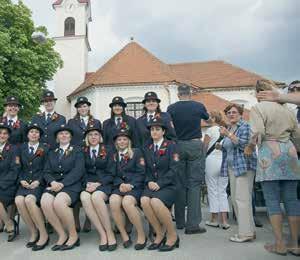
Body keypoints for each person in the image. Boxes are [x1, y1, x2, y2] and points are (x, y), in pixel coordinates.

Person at [247, 79, 300, 256]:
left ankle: (279, 244)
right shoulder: (288, 109)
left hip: (269, 153)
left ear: (257, 93)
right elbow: (298, 136)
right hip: (290, 152)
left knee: (272, 200)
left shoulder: (258, 108)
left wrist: (250, 146)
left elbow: (258, 132)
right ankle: (294, 243)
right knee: (292, 200)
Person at [167, 84, 209, 234]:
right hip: (194, 145)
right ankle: (193, 225)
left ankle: (179, 222)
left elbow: (168, 126)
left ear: (178, 94)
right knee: (194, 184)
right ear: (190, 93)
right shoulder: (198, 106)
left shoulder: (171, 108)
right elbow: (208, 119)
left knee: (179, 184)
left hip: (178, 146)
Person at [40, 125, 85, 251]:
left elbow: (78, 170)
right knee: (45, 202)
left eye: (66, 133)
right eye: (61, 134)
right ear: (57, 138)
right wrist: (53, 182)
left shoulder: (77, 150)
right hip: (54, 185)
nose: (64, 135)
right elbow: (46, 171)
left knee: (59, 202)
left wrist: (62, 184)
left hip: (71, 185)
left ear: (70, 137)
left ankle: (73, 236)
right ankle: (62, 234)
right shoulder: (52, 152)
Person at [141, 117, 180, 252]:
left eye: (158, 129)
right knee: (144, 200)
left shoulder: (172, 146)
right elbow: (144, 169)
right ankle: (159, 234)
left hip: (169, 185)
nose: (154, 132)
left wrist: (160, 183)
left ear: (163, 131)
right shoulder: (147, 147)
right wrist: (149, 181)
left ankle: (172, 235)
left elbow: (175, 169)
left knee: (156, 202)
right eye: (152, 129)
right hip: (152, 184)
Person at [219, 103, 257, 243]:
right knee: (237, 200)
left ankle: (245, 233)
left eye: (234, 112)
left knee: (242, 200)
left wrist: (228, 135)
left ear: (241, 114)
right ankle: (249, 231)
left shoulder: (245, 126)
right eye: (228, 112)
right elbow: (228, 147)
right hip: (232, 167)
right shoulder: (230, 128)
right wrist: (221, 144)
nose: (231, 114)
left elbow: (244, 145)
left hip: (243, 166)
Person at [80, 125, 117, 251]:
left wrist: (98, 183)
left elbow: (112, 171)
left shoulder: (109, 149)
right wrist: (87, 183)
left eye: (96, 134)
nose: (93, 137)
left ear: (100, 136)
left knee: (96, 197)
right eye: (90, 135)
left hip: (105, 183)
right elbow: (81, 171)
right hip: (88, 184)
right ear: (87, 137)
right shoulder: (83, 150)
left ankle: (109, 232)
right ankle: (102, 234)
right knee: (84, 197)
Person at [67, 96, 101, 232]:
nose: (82, 108)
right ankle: (75, 220)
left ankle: (88, 219)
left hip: (91, 155)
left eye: (85, 106)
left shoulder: (96, 121)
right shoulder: (71, 122)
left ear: (88, 107)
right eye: (80, 106)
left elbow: (98, 139)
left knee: (90, 186)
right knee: (77, 187)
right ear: (77, 109)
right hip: (76, 156)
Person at [109, 128, 146, 250]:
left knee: (127, 202)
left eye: (124, 139)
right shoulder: (113, 155)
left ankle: (141, 234)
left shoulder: (136, 152)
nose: (122, 141)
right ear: (116, 142)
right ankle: (124, 234)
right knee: (113, 201)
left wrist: (130, 185)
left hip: (135, 186)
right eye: (119, 139)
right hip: (119, 186)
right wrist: (120, 184)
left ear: (129, 141)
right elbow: (112, 174)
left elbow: (141, 172)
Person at [15, 123, 49, 251]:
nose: (34, 134)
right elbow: (17, 166)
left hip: (38, 182)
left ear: (39, 135)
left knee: (29, 200)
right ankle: (33, 231)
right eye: (31, 132)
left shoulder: (45, 148)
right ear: (27, 135)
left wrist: (39, 181)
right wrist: (21, 180)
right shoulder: (21, 148)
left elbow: (47, 168)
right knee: (19, 200)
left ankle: (43, 233)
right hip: (24, 182)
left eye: (36, 132)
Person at [203, 111, 230, 229]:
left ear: (213, 118)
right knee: (222, 192)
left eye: (209, 116)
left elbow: (204, 148)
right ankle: (224, 221)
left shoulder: (210, 130)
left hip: (211, 161)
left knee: (212, 190)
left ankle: (214, 219)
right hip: (224, 161)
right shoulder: (225, 130)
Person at [0, 123, 20, 242]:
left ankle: (9, 224)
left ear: (8, 136)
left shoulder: (13, 149)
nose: (2, 135)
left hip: (9, 184)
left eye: (5, 134)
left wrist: (2, 183)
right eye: (0, 133)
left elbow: (15, 169)